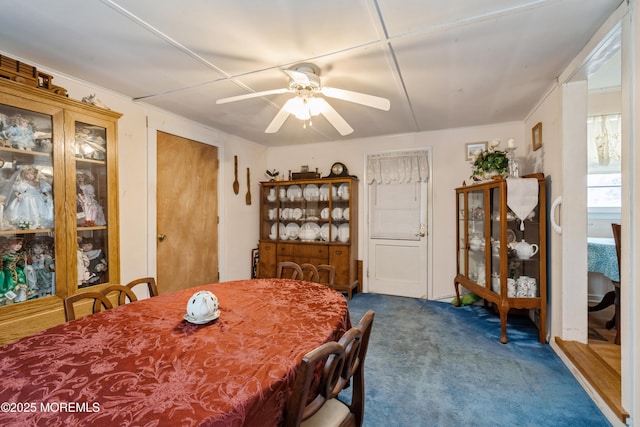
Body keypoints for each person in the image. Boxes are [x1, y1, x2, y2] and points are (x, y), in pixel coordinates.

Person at [0, 237, 30, 304]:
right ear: (9, 244)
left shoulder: (18, 255)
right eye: (15, 244)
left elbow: (21, 263)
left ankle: (18, 300)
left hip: (17, 272)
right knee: (9, 286)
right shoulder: (5, 255)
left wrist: (25, 265)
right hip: (6, 273)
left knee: (20, 287)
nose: (18, 246)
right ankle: (8, 302)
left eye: (20, 244)